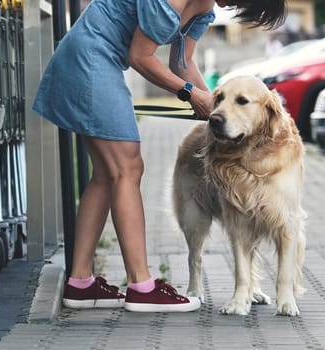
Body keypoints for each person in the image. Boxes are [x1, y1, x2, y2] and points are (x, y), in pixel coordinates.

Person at [32, 0, 286, 313]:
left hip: (98, 61)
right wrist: (191, 94)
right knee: (128, 168)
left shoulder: (204, 9)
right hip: (91, 59)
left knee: (106, 175)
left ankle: (81, 283)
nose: (234, 4)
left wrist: (216, 111)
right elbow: (139, 56)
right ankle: (141, 286)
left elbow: (183, 64)